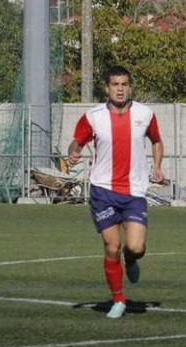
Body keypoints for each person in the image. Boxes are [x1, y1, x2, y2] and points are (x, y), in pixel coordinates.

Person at [66, 65, 164, 319]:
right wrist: (73, 151)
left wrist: (157, 167)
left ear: (129, 87)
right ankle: (118, 299)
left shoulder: (145, 114)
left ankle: (131, 260)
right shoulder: (93, 116)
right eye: (115, 85)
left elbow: (156, 141)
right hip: (103, 190)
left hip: (134, 192)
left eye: (124, 84)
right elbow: (77, 141)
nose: (119, 89)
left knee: (136, 246)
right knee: (112, 247)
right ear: (107, 88)